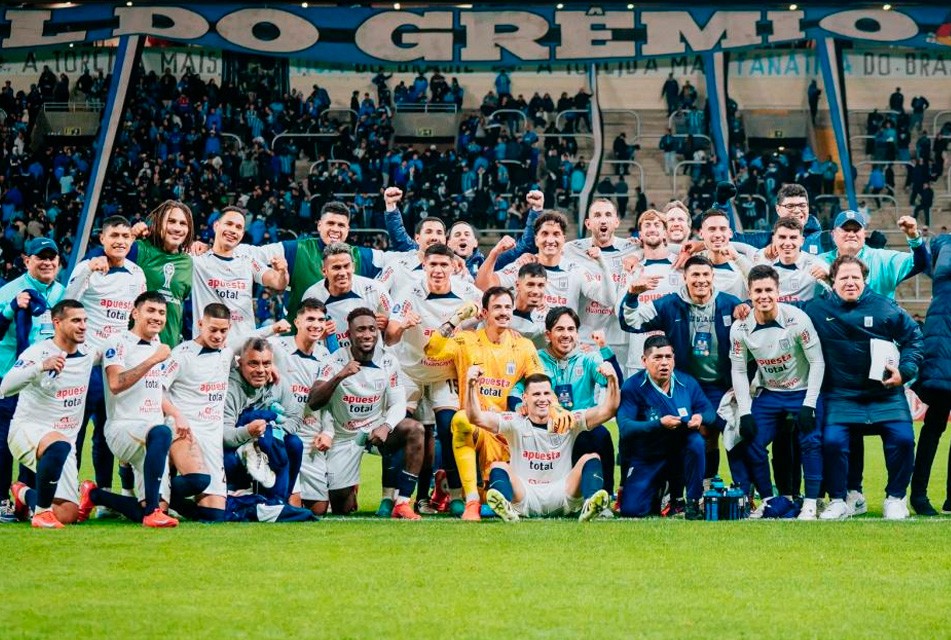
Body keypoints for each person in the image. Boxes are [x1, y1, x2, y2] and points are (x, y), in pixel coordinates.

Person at [805, 255, 923, 520]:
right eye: (844, 278)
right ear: (832, 280)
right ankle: (840, 500)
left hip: (885, 394)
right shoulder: (815, 309)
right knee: (833, 442)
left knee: (904, 440)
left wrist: (904, 373)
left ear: (864, 280)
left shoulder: (885, 307)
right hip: (841, 395)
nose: (850, 283)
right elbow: (784, 318)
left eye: (855, 278)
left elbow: (914, 339)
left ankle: (895, 498)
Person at [424, 287, 546, 520]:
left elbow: (538, 381)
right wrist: (456, 319)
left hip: (507, 426)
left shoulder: (523, 346)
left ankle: (466, 491)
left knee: (496, 498)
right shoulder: (465, 340)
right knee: (461, 419)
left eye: (508, 307)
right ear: (485, 312)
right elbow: (432, 350)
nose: (503, 312)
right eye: (497, 307)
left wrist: (524, 401)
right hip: (477, 422)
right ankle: (470, 502)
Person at [620, 255, 743, 484]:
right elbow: (631, 321)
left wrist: (746, 310)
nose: (701, 280)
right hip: (685, 384)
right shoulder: (669, 304)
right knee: (691, 434)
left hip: (722, 384)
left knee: (731, 433)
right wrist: (632, 294)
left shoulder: (730, 303)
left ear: (713, 276)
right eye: (695, 275)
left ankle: (740, 490)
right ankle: (682, 489)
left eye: (706, 274)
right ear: (684, 277)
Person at [386, 244, 482, 515]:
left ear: (453, 266)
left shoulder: (467, 292)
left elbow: (488, 312)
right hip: (411, 371)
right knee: (402, 428)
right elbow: (390, 336)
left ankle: (454, 496)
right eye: (433, 265)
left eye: (443, 265)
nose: (438, 270)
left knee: (451, 426)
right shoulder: (408, 293)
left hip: (444, 373)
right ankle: (392, 496)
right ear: (424, 266)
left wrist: (471, 325)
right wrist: (402, 325)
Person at [308, 308, 425, 520]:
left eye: (372, 329)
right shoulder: (334, 362)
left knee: (414, 429)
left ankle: (402, 502)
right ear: (349, 335)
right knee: (341, 507)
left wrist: (386, 426)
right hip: (344, 437)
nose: (367, 334)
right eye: (360, 330)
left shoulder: (388, 361)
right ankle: (349, 488)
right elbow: (315, 401)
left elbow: (399, 403)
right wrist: (340, 375)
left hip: (374, 429)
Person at [465, 364, 619, 522]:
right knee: (498, 466)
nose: (542, 399)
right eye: (536, 394)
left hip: (563, 494)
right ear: (525, 398)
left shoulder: (568, 420)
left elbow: (608, 410)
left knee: (591, 458)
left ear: (553, 397)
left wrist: (612, 378)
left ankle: (590, 505)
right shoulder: (514, 421)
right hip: (525, 496)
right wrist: (470, 385)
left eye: (546, 393)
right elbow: (475, 417)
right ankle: (506, 508)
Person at [729, 266, 825, 519]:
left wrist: (810, 404)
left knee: (811, 442)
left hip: (803, 391)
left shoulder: (797, 319)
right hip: (770, 393)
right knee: (750, 440)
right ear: (749, 293)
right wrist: (746, 411)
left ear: (778, 291)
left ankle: (811, 502)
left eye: (768, 290)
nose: (764, 296)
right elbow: (739, 371)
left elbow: (817, 362)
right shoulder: (739, 328)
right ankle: (769, 500)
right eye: (757, 291)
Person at [65, 216, 146, 514]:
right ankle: (68, 493)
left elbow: (137, 315)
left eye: (126, 236)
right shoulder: (89, 269)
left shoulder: (136, 274)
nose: (121, 241)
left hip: (118, 363)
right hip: (88, 363)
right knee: (76, 430)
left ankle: (104, 496)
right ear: (102, 239)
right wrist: (86, 268)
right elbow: (66, 302)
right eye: (114, 235)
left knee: (108, 431)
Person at [83, 292, 180, 527]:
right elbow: (115, 384)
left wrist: (177, 414)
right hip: (123, 428)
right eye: (151, 311)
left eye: (161, 313)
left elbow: (157, 391)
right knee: (161, 432)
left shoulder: (159, 345)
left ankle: (95, 495)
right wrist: (153, 360)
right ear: (135, 313)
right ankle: (154, 509)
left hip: (151, 437)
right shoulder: (118, 343)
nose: (157, 317)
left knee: (145, 511)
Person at [510, 307, 622, 508]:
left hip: (580, 425)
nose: (566, 335)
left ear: (577, 334)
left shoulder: (589, 358)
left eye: (571, 329)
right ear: (548, 334)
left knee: (600, 435)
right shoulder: (536, 359)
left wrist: (606, 355)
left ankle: (602, 500)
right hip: (546, 426)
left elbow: (614, 383)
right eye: (560, 329)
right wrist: (520, 405)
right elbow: (516, 390)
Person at [3, 300, 94, 528]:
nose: (82, 326)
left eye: (85, 320)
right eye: (75, 320)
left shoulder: (89, 352)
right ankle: (42, 514)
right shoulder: (38, 352)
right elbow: (5, 388)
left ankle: (23, 493)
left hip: (64, 443)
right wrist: (40, 367)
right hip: (27, 431)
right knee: (59, 444)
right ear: (57, 323)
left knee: (68, 514)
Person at [0, 237, 66, 521]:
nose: (47, 262)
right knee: (3, 442)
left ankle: (24, 495)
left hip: (44, 382)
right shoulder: (9, 291)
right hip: (10, 376)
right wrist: (9, 309)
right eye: (41, 257)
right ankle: (2, 498)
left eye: (52, 257)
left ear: (59, 263)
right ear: (27, 261)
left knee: (35, 438)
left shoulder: (62, 293)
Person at [616, 335, 714, 519]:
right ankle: (660, 490)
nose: (664, 363)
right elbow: (625, 427)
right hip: (648, 455)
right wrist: (659, 424)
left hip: (679, 454)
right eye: (658, 358)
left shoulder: (687, 383)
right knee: (632, 511)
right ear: (644, 361)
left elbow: (709, 411)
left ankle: (692, 502)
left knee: (696, 442)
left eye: (668, 357)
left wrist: (699, 417)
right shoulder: (633, 387)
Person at [161, 302, 234, 523]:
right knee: (197, 481)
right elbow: (155, 390)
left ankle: (166, 496)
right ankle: (153, 488)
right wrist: (176, 415)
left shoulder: (228, 353)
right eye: (213, 330)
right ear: (200, 324)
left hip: (212, 436)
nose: (218, 336)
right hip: (185, 429)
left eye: (223, 330)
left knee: (214, 516)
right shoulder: (181, 354)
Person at [259, 201, 386, 322]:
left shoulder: (363, 256)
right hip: (297, 339)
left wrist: (392, 211)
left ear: (348, 229)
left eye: (341, 225)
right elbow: (254, 255)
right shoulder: (295, 250)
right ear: (319, 225)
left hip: (345, 340)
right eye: (330, 223)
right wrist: (273, 278)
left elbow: (401, 259)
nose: (335, 229)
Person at [190, 206, 289, 347]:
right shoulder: (197, 260)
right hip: (209, 350)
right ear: (216, 225)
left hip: (244, 350)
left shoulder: (247, 261)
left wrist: (283, 272)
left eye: (238, 227)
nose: (233, 230)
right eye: (228, 224)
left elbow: (278, 283)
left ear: (242, 234)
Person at [269, 299, 332, 516]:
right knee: (293, 506)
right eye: (310, 319)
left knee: (320, 509)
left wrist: (328, 431)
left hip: (312, 438)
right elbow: (244, 346)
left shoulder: (325, 356)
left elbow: (328, 401)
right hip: (284, 434)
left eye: (321, 320)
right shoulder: (278, 347)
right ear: (297, 321)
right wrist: (270, 329)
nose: (316, 324)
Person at [223, 337, 303, 505]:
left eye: (266, 364)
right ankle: (232, 494)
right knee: (227, 458)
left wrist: (274, 433)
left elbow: (296, 416)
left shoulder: (278, 382)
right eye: (253, 364)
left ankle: (282, 499)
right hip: (236, 445)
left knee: (294, 443)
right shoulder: (230, 388)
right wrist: (248, 433)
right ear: (240, 363)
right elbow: (224, 435)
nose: (260, 370)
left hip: (266, 442)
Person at [909, 233, 951, 516]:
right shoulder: (944, 246)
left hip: (940, 346)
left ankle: (925, 495)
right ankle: (920, 494)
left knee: (933, 427)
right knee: (934, 425)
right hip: (942, 348)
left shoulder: (943, 248)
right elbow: (930, 263)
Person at [300, 242, 395, 352]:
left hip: (371, 360)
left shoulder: (374, 288)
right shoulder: (312, 296)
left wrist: (387, 325)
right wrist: (318, 334)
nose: (343, 273)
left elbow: (395, 323)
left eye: (346, 266)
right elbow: (303, 337)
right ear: (324, 271)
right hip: (333, 363)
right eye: (336, 268)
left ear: (353, 267)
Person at [127, 200, 195, 347]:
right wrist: (130, 236)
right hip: (134, 347)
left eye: (183, 223)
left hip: (169, 350)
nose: (177, 228)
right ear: (158, 222)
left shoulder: (188, 262)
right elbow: (107, 258)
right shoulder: (140, 249)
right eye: (171, 221)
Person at [753, 218, 828, 303]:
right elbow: (741, 248)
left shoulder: (816, 265)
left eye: (793, 238)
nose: (787, 243)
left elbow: (839, 291)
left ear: (802, 241)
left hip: (803, 314)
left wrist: (828, 279)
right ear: (774, 239)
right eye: (782, 237)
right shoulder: (763, 257)